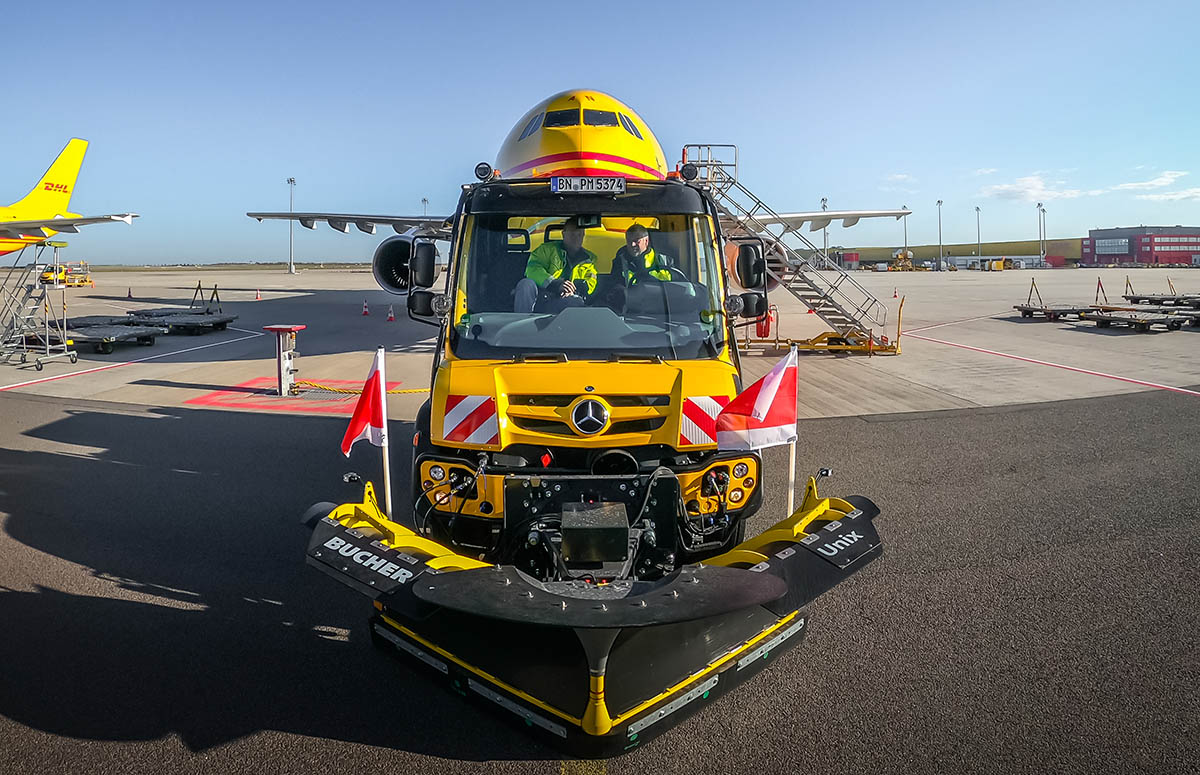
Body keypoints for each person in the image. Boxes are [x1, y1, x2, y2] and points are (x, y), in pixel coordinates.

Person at [513, 219, 598, 313]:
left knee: (576, 301)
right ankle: (523, 322)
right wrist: (555, 284)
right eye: (572, 234)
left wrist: (573, 291)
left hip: (563, 302)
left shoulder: (589, 259)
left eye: (579, 235)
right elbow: (533, 270)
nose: (576, 238)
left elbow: (591, 281)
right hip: (540, 299)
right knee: (525, 284)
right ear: (563, 234)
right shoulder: (546, 250)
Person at [611, 224, 676, 287]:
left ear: (646, 241)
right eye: (629, 241)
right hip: (631, 297)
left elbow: (674, 288)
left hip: (658, 297)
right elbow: (613, 287)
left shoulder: (666, 261)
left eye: (636, 241)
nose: (632, 244)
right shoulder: (620, 262)